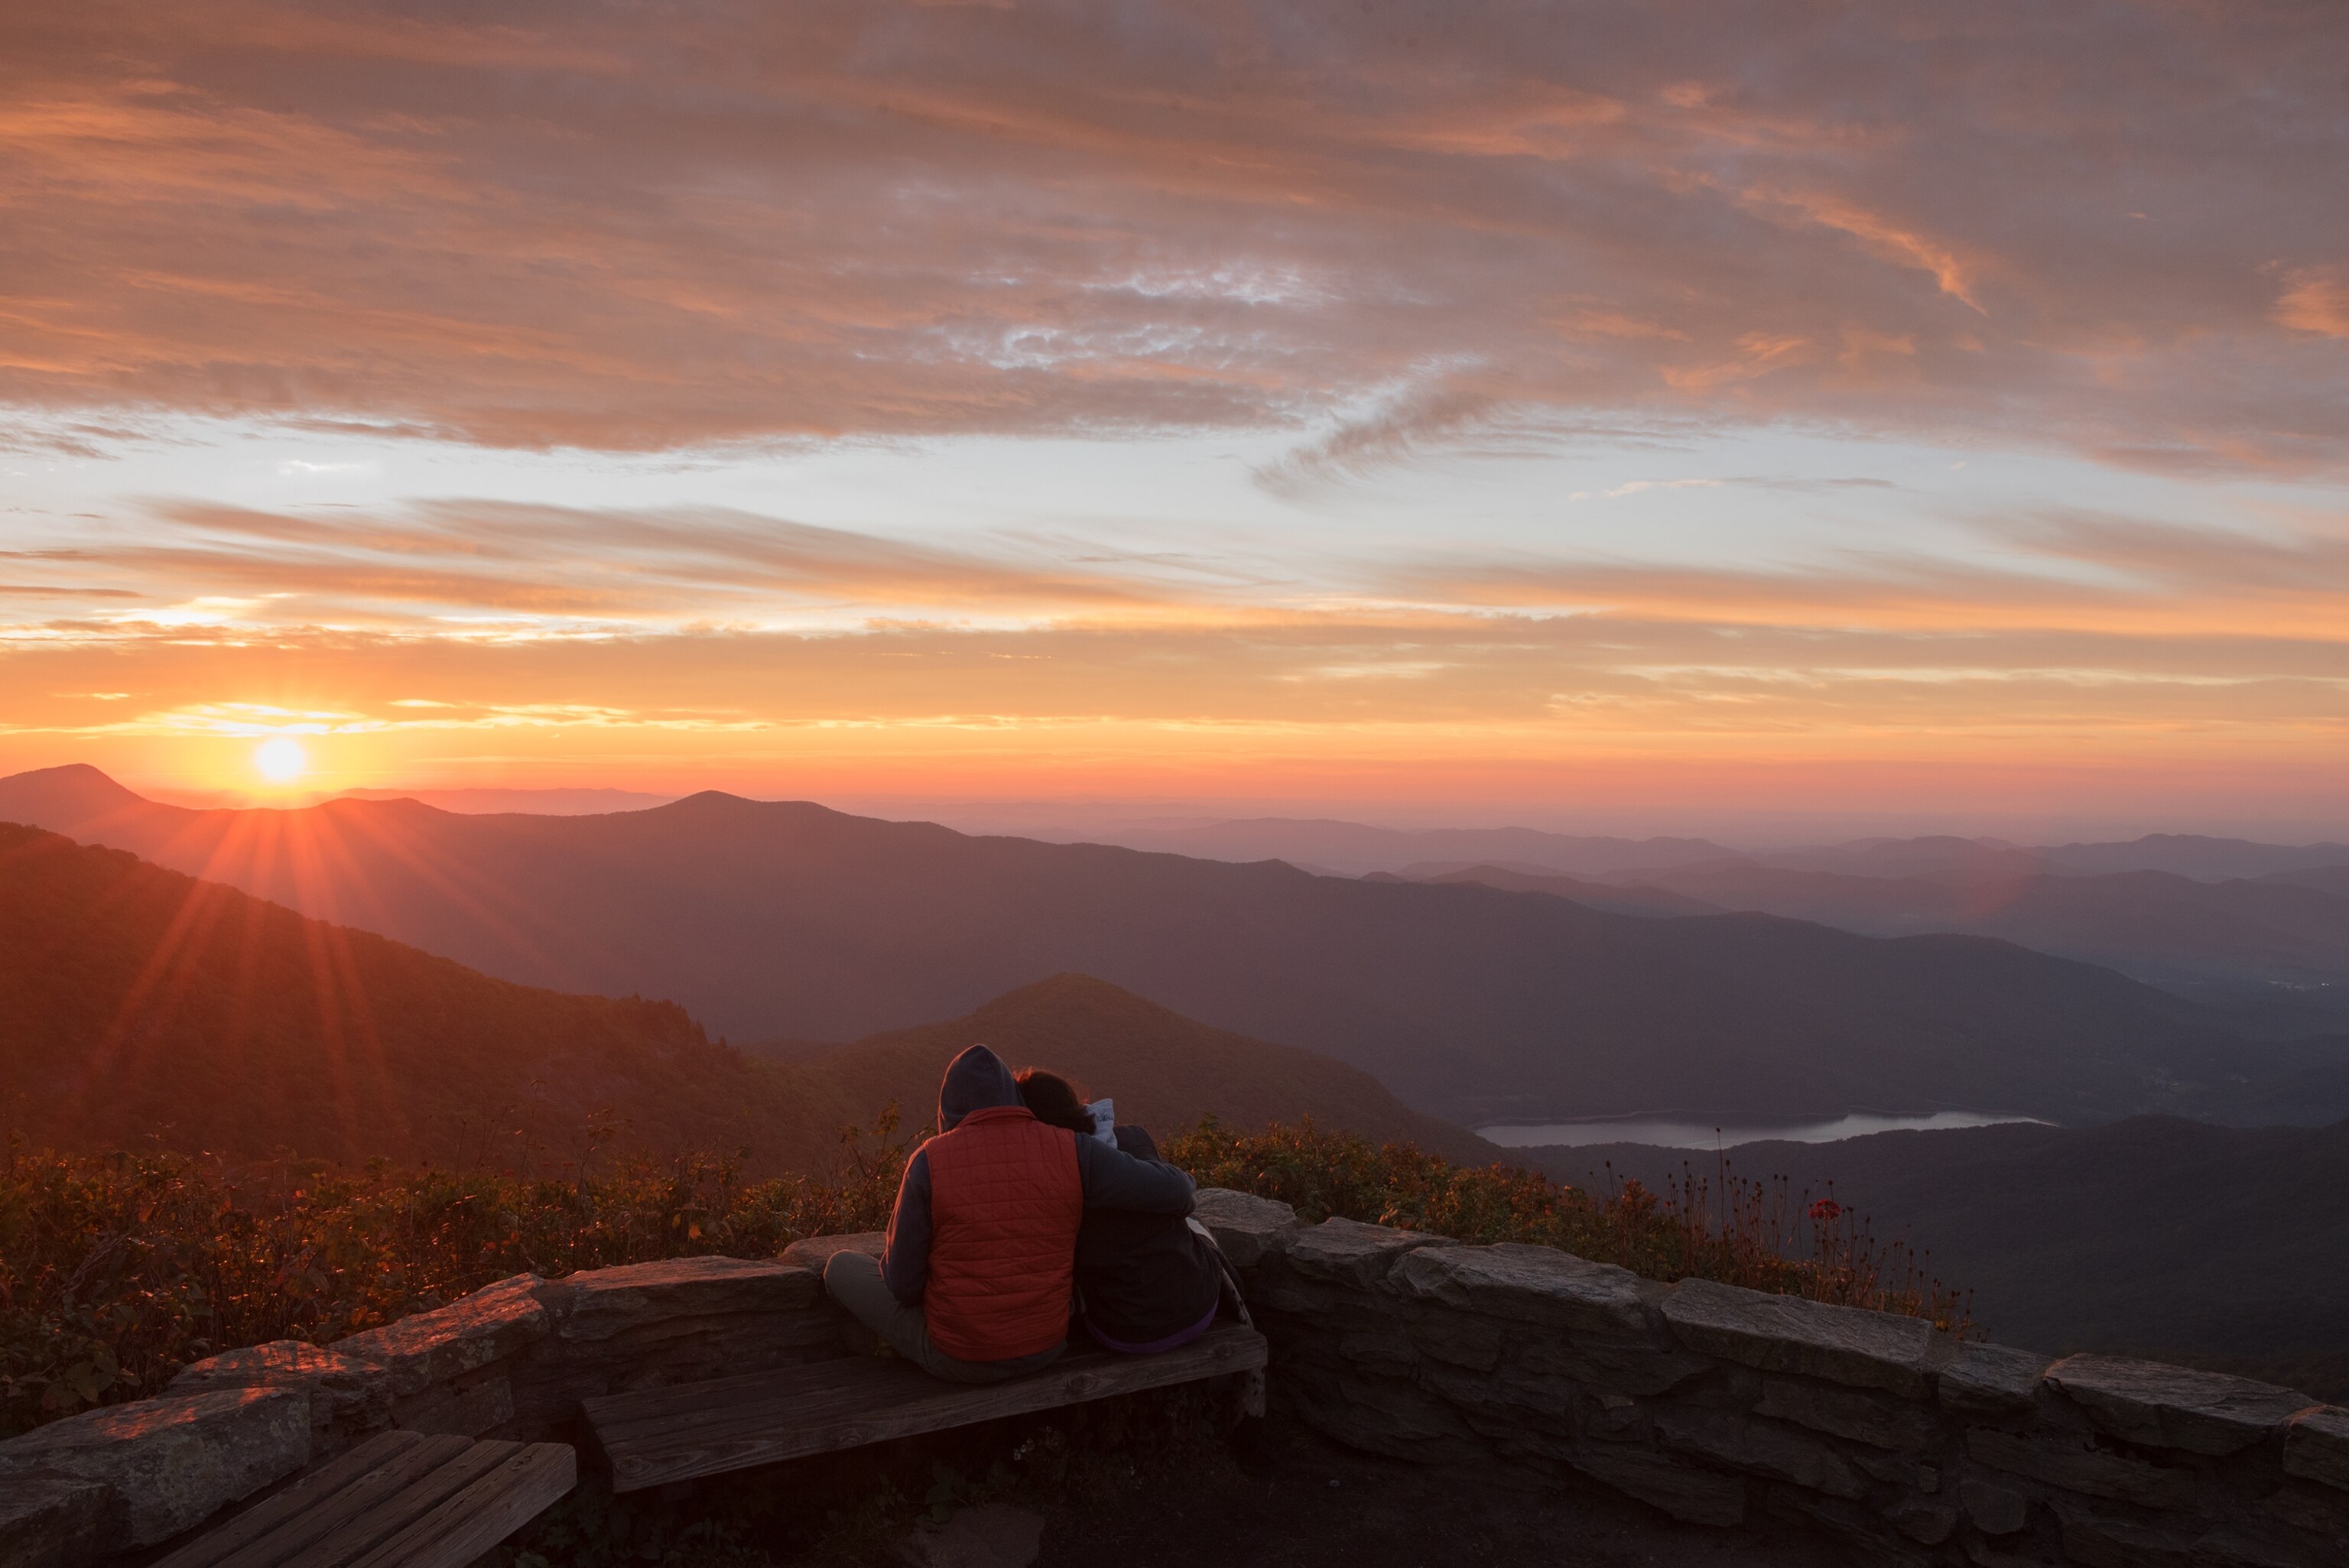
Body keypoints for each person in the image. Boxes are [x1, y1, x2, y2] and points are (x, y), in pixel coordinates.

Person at [824, 1044, 1198, 1383]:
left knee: (840, 1266)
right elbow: (1178, 1191)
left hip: (962, 1357)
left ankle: (892, 1346)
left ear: (947, 1109)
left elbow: (903, 1285)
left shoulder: (928, 1161)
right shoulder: (1074, 1149)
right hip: (1047, 1345)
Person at [1015, 1069, 1226, 1355]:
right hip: (1198, 1312)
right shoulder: (1133, 1139)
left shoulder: (1048, 1181)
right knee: (1195, 1228)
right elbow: (1183, 1198)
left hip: (1120, 1330)